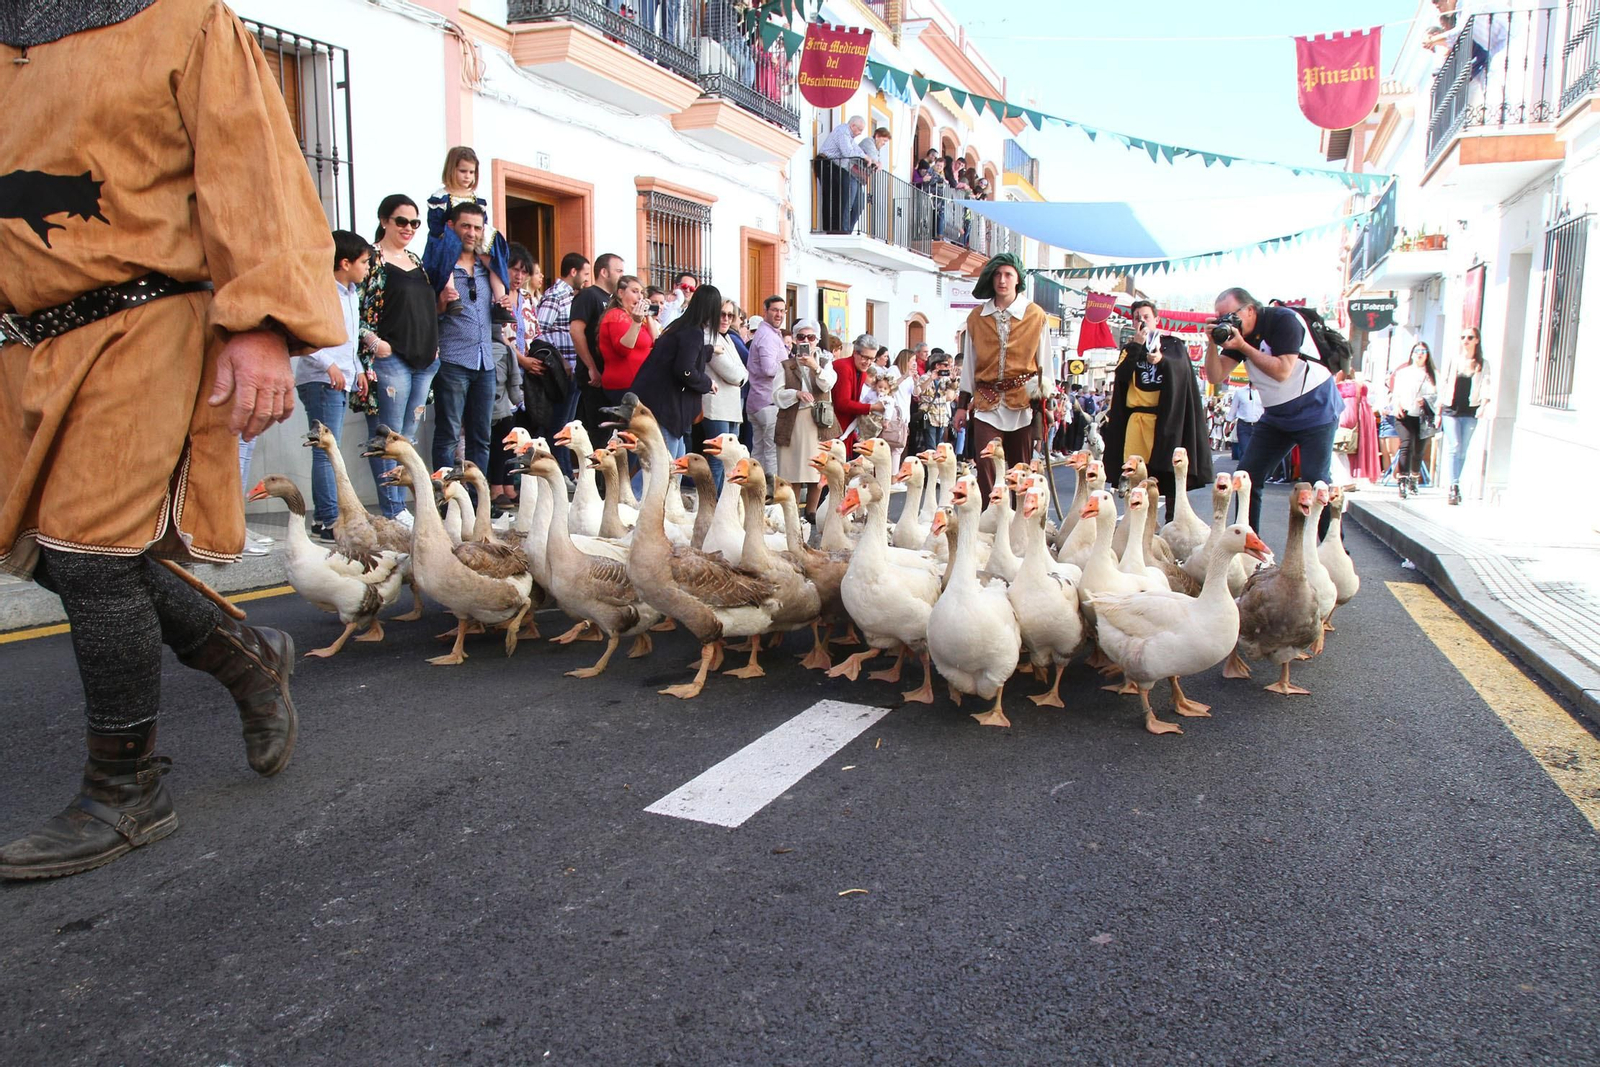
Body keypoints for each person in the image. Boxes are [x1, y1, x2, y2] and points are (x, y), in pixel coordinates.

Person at [0, 0, 346, 881]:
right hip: (21, 337)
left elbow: (256, 168)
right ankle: (249, 654)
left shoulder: (183, 18)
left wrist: (265, 323)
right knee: (48, 548)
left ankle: (125, 789)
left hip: (141, 316)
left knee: (86, 550)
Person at [1204, 287, 1341, 536]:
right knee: (1246, 476)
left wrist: (1243, 346)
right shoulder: (1238, 335)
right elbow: (1215, 375)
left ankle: (1332, 548)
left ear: (1250, 310)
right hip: (1277, 416)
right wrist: (1212, 344)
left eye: (1230, 315)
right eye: (1221, 318)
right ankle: (1246, 542)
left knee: (1315, 479)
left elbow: (1282, 371)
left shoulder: (1282, 320)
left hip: (1315, 409)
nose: (1227, 323)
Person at [355, 194, 439, 526]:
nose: (408, 228)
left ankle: (401, 504)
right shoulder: (372, 259)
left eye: (415, 223)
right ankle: (393, 508)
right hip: (391, 359)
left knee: (409, 437)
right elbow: (355, 307)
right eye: (401, 221)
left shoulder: (416, 260)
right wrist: (374, 342)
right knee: (389, 438)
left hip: (424, 359)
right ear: (385, 220)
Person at [953, 253, 1056, 501]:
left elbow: (1044, 363)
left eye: (1008, 274)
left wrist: (1047, 405)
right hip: (986, 400)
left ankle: (1017, 522)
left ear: (1018, 279)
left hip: (1023, 401)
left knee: (1018, 470)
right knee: (986, 465)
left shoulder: (1035, 314)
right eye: (998, 274)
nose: (1002, 280)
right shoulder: (977, 317)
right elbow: (970, 364)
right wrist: (961, 406)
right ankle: (990, 521)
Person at [1101, 300, 1212, 521]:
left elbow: (1180, 370)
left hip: (1165, 420)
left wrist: (1163, 361)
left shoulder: (1173, 345)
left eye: (1146, 316)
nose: (1141, 321)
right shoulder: (1130, 348)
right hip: (1137, 421)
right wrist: (1136, 347)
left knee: (1167, 472)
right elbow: (1122, 375)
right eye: (1136, 318)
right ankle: (1138, 519)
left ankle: (1171, 519)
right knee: (1135, 471)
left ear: (1156, 320)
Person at [295, 230, 370, 541]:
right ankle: (327, 518)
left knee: (330, 451)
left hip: (339, 378)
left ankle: (326, 516)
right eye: (364, 262)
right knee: (326, 452)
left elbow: (348, 341)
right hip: (321, 380)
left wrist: (359, 369)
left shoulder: (351, 293)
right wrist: (330, 366)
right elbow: (307, 336)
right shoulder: (322, 291)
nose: (367, 268)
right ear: (344, 262)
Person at [431, 202, 497, 476]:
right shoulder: (441, 268)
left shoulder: (489, 269)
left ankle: (476, 500)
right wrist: (441, 304)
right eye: (465, 226)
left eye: (477, 227)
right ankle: (447, 499)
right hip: (453, 360)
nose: (471, 233)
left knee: (481, 438)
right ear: (452, 227)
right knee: (448, 435)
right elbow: (429, 314)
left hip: (486, 363)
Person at [628, 284, 721, 459]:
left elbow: (682, 355)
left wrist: (709, 350)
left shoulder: (681, 326)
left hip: (657, 400)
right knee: (664, 465)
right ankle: (634, 488)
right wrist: (708, 383)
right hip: (666, 406)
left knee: (676, 461)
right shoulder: (693, 332)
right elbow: (685, 369)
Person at [422, 146, 509, 310]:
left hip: (473, 242)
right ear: (451, 169)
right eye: (463, 171)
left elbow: (482, 223)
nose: (468, 176)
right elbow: (435, 226)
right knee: (449, 245)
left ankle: (500, 298)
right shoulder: (441, 197)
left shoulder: (477, 199)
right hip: (447, 239)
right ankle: (451, 291)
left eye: (471, 172)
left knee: (495, 244)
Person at [775, 319, 838, 525]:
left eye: (811, 337)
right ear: (794, 339)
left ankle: (811, 513)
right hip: (794, 421)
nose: (806, 341)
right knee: (792, 470)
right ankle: (792, 513)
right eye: (801, 337)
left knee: (817, 469)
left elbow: (827, 384)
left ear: (817, 340)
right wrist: (796, 394)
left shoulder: (825, 363)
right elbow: (776, 395)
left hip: (818, 421)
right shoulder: (785, 365)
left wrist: (815, 367)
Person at [536, 252, 590, 477]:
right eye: (585, 273)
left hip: (573, 368)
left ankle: (566, 471)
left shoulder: (573, 296)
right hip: (561, 370)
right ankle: (559, 472)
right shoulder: (555, 296)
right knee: (559, 423)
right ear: (573, 271)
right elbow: (540, 331)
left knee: (568, 423)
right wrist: (558, 360)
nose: (587, 279)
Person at [569, 252, 626, 456]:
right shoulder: (589, 296)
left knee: (609, 431)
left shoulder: (611, 300)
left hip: (609, 376)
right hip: (594, 377)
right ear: (604, 272)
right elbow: (576, 331)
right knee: (597, 431)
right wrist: (591, 367)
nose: (622, 276)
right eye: (618, 270)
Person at [1440, 326, 1493, 505]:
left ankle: (1456, 484)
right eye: (1463, 337)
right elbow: (1444, 383)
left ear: (1477, 340)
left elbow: (1487, 385)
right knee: (1455, 445)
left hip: (1470, 409)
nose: (1466, 341)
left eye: (1470, 337)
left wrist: (1483, 405)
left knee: (1463, 450)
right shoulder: (1454, 360)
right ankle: (1453, 486)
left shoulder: (1482, 363)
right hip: (1450, 409)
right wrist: (1438, 410)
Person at [702, 299, 750, 487]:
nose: (726, 319)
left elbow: (742, 370)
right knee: (716, 460)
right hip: (716, 407)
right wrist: (741, 376)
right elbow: (733, 374)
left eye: (730, 315)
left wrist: (741, 375)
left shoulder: (728, 338)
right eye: (722, 314)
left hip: (732, 407)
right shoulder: (708, 337)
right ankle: (711, 503)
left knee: (731, 460)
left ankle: (722, 502)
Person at [1388, 340, 1438, 500]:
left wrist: (1426, 400)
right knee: (1406, 445)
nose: (1419, 354)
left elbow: (1439, 396)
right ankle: (1403, 479)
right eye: (1417, 351)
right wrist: (1396, 406)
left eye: (1423, 351)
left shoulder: (1433, 374)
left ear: (1427, 355)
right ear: (1412, 353)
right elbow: (1395, 394)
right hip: (1405, 414)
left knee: (1419, 450)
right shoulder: (1404, 372)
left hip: (1424, 417)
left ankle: (1414, 478)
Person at [598, 275, 661, 399]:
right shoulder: (617, 315)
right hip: (624, 385)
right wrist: (637, 322)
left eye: (642, 293)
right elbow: (623, 349)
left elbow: (656, 342)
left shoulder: (635, 317)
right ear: (620, 293)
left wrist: (647, 314)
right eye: (635, 291)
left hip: (640, 382)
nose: (640, 297)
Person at [747, 294, 788, 475]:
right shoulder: (768, 337)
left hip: (757, 401)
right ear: (766, 311)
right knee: (771, 453)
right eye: (774, 310)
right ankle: (770, 493)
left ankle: (755, 493)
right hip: (768, 402)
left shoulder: (767, 334)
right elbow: (769, 369)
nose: (779, 314)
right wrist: (789, 367)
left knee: (758, 451)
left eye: (782, 310)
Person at [817, 115, 869, 234]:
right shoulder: (843, 132)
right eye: (860, 129)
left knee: (855, 202)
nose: (860, 133)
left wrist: (868, 158)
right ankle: (841, 230)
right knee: (842, 199)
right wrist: (865, 156)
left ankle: (846, 230)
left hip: (837, 167)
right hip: (827, 164)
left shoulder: (849, 136)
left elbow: (856, 149)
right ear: (852, 125)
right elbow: (848, 152)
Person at [832, 334, 881, 455]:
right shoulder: (843, 367)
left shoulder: (862, 372)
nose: (868, 363)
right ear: (855, 352)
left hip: (845, 431)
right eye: (865, 357)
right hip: (835, 431)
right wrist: (872, 408)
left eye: (872, 359)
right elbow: (842, 404)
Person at [1335, 370, 1381, 487]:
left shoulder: (1338, 386)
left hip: (1344, 418)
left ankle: (1345, 479)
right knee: (1357, 449)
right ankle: (1353, 479)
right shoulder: (1361, 386)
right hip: (1361, 418)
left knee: (1339, 449)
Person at [1226, 381, 1263, 462]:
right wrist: (1227, 426)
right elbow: (1233, 410)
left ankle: (1253, 473)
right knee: (1245, 451)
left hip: (1259, 426)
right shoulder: (1240, 392)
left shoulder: (1264, 391)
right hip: (1244, 426)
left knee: (1258, 452)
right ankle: (1244, 472)